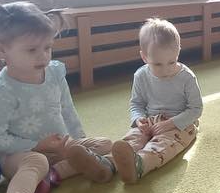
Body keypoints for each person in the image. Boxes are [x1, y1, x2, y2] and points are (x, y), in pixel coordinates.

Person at [0, 0, 112, 193]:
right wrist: (36, 146)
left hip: (57, 148)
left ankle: (54, 175)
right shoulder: (0, 92)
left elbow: (67, 109)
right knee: (37, 160)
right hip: (19, 157)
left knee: (105, 144)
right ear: (1, 51)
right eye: (31, 50)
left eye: (47, 47)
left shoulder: (54, 72)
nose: (43, 56)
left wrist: (78, 141)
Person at [65, 18, 203, 183]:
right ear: (144, 57)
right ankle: (106, 165)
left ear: (178, 52)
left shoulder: (186, 77)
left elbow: (196, 109)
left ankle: (140, 164)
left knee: (163, 145)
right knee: (132, 139)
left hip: (180, 124)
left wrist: (170, 124)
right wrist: (139, 119)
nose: (166, 70)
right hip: (150, 121)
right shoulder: (141, 75)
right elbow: (137, 104)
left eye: (171, 62)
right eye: (158, 64)